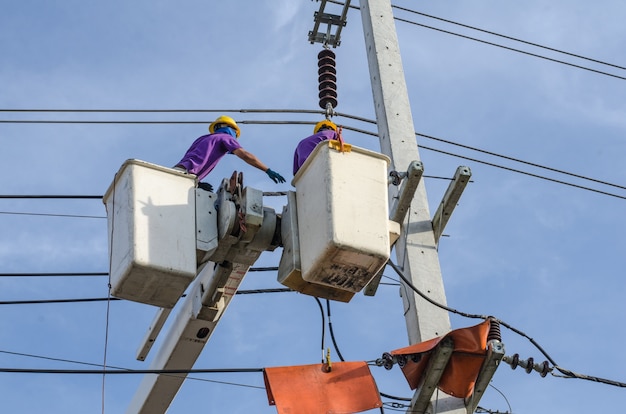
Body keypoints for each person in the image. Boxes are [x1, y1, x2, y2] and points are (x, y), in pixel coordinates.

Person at [174, 115, 285, 190]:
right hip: (185, 176)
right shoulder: (225, 137)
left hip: (179, 173)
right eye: (235, 134)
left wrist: (196, 183)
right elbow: (245, 155)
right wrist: (267, 170)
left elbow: (194, 160)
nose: (235, 137)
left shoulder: (204, 138)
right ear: (230, 128)